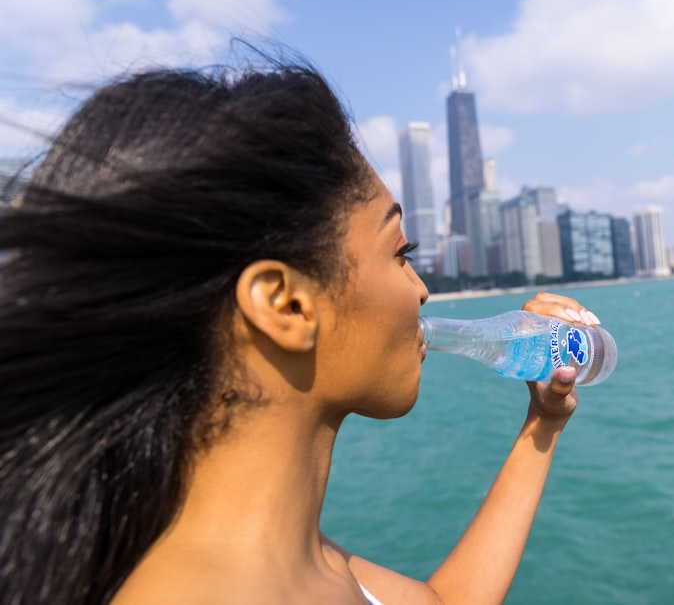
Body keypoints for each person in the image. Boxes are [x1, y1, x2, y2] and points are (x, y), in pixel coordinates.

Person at [0, 60, 600, 605]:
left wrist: (543, 423)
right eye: (400, 251)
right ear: (286, 306)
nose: (421, 290)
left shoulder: (303, 562)